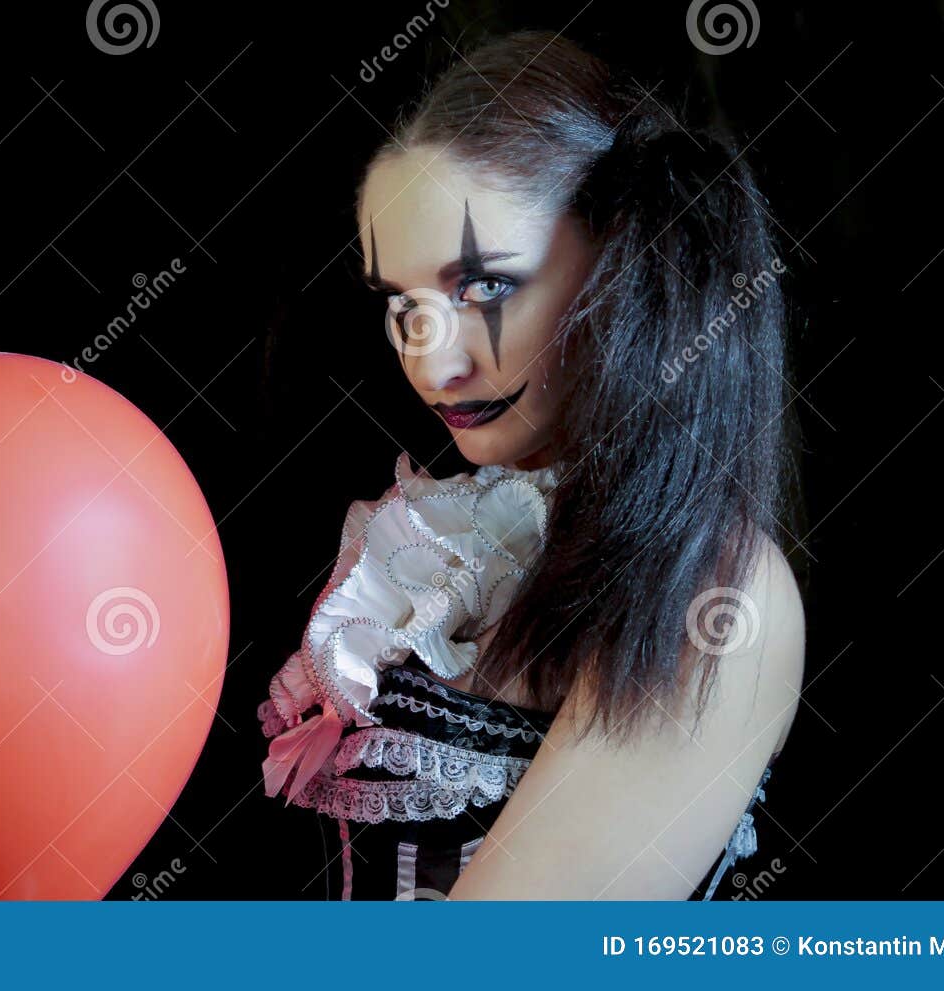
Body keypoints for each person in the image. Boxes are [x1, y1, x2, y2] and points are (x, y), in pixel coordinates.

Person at [258, 30, 804, 900]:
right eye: (402, 303)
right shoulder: (444, 539)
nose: (432, 366)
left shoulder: (716, 588)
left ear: (621, 261)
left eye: (483, 287)